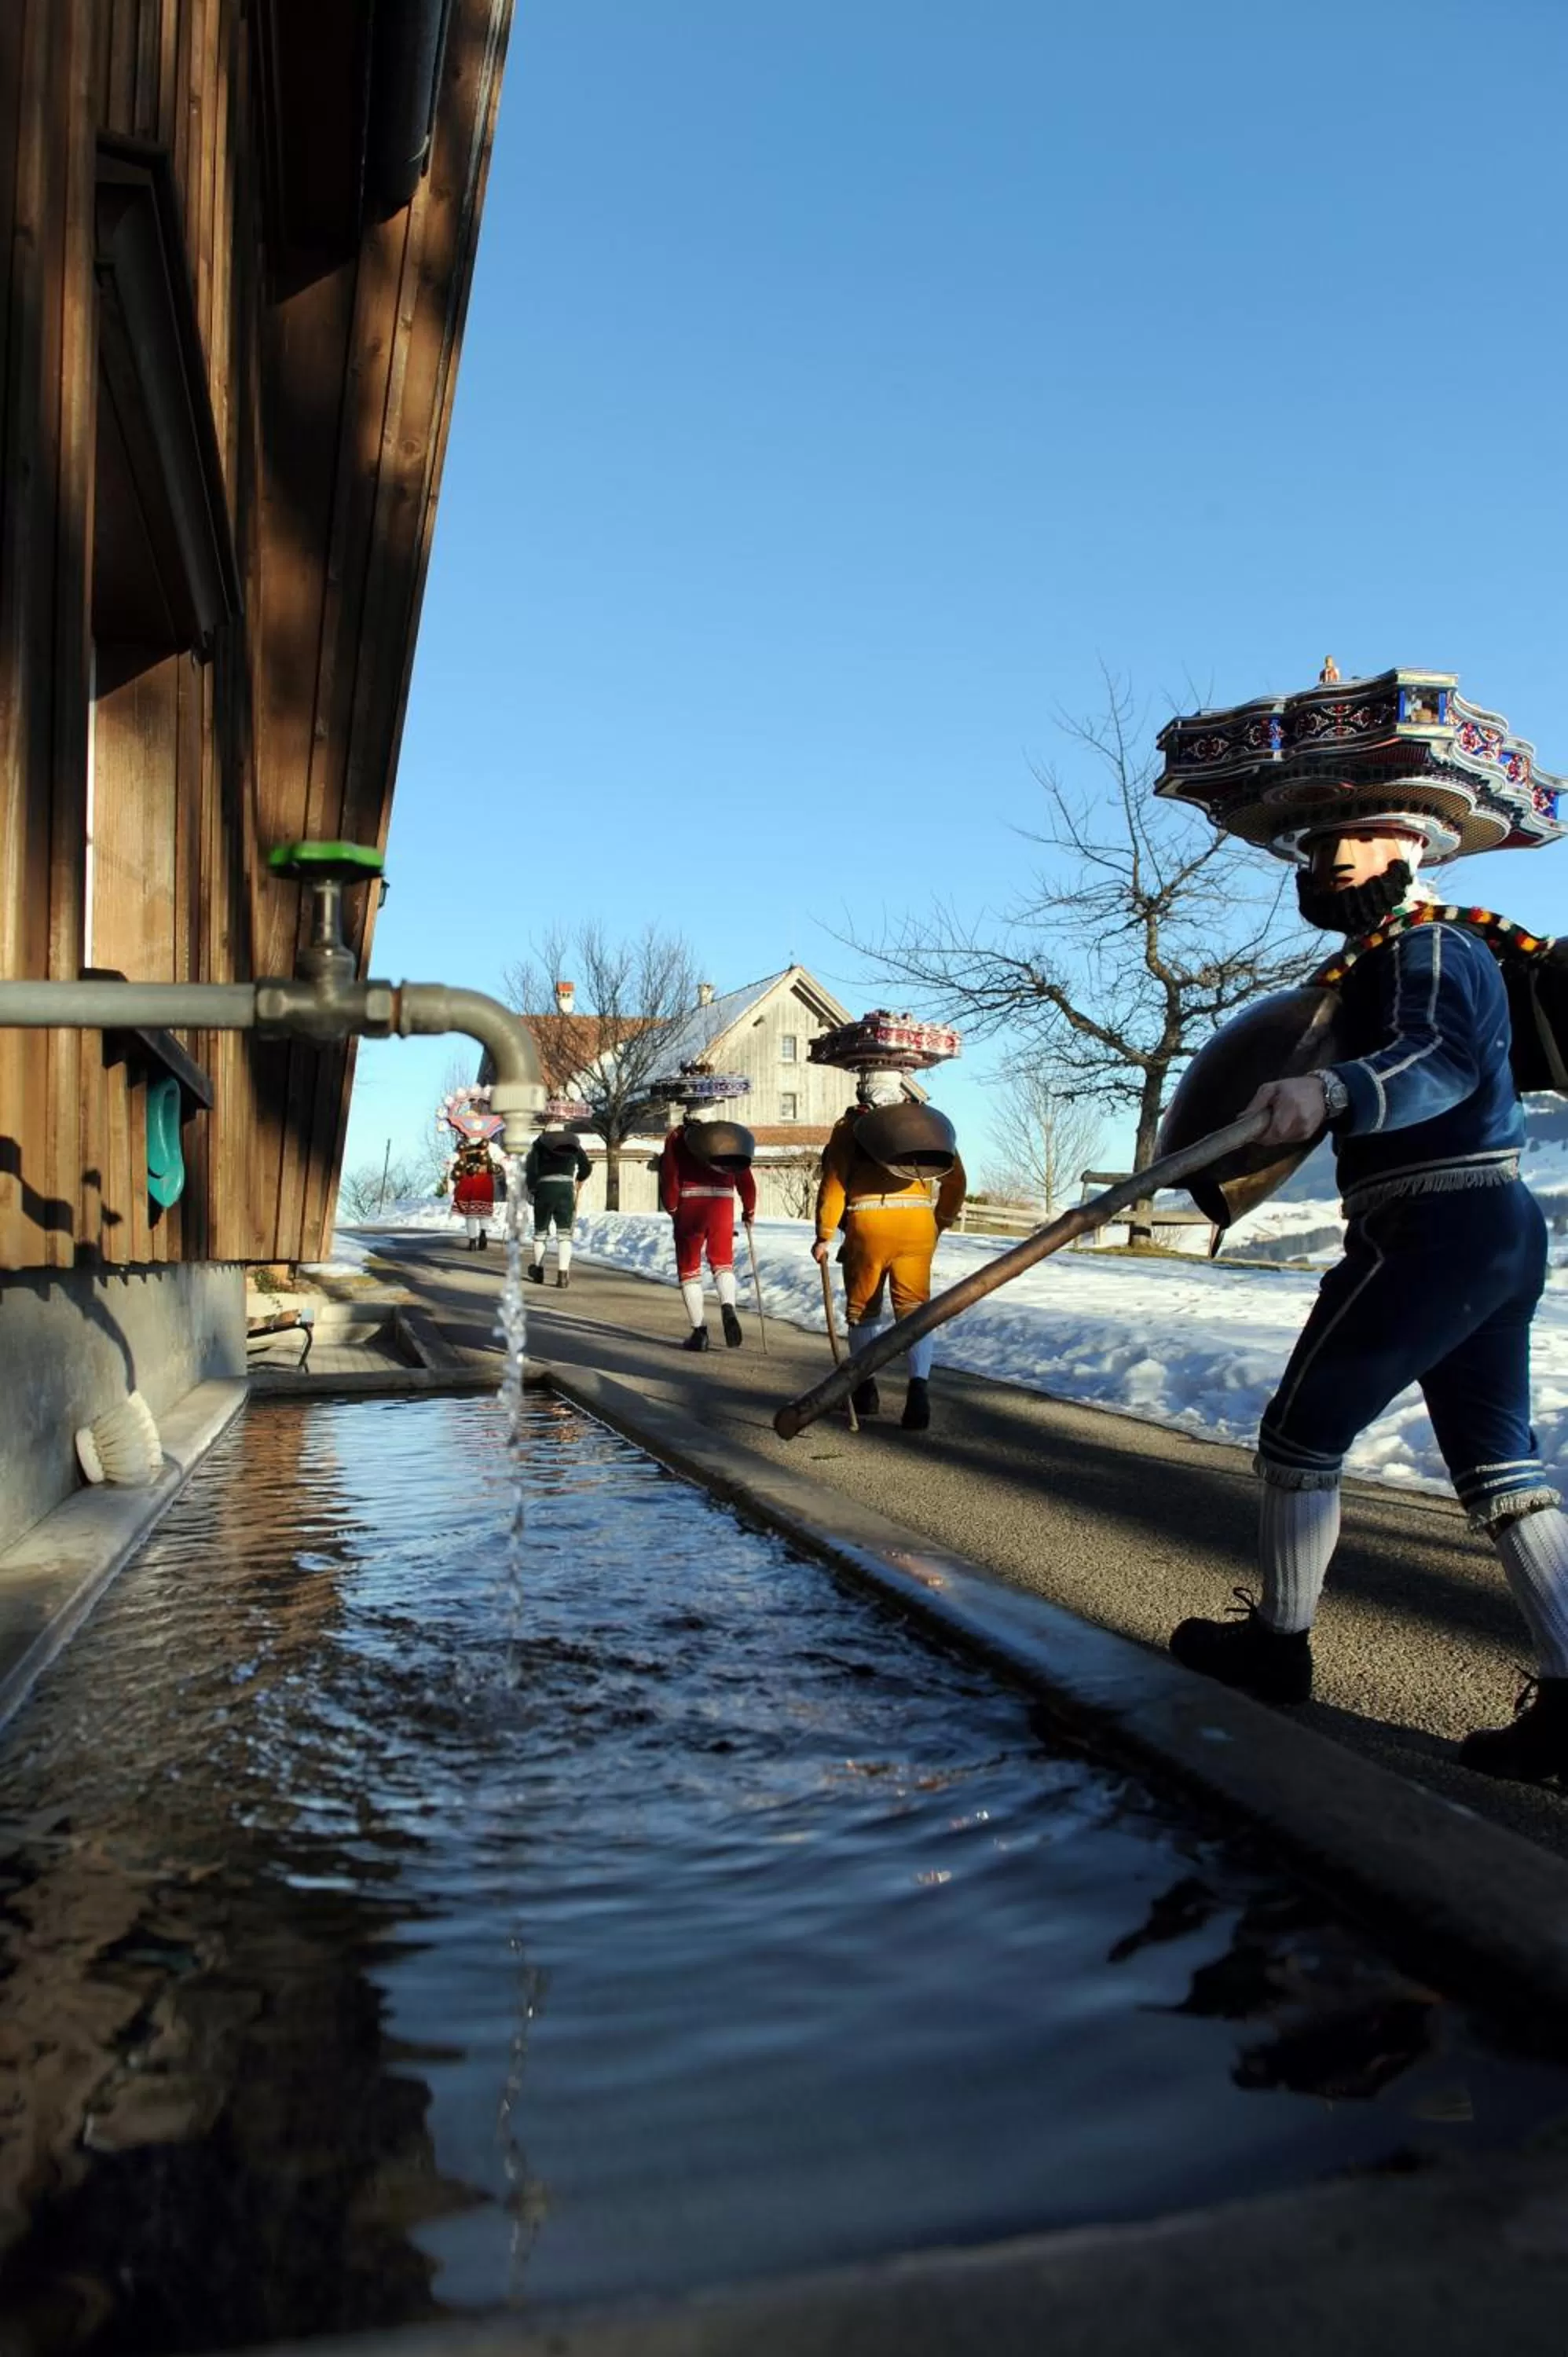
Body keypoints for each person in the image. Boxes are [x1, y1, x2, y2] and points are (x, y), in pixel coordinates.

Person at [1168, 808, 1568, 1781]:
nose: (1328, 856)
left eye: (1353, 834)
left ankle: (1277, 1646)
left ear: (1414, 845)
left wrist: (1332, 1092)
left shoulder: (1426, 944)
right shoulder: (1395, 954)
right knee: (1496, 1467)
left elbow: (1440, 1059)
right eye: (1313, 844)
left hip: (1431, 1226)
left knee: (1301, 1434)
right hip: (1484, 1227)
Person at [811, 1069, 966, 1431]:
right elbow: (957, 1181)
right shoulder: (926, 1121)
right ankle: (919, 1391)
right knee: (915, 1311)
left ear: (863, 1085)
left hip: (869, 1224)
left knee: (863, 1311)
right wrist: (940, 1221)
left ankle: (865, 1389)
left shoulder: (849, 1127)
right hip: (917, 1224)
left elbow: (834, 1185)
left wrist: (824, 1234)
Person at [658, 1093, 757, 1352]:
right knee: (723, 1263)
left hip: (690, 1204)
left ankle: (699, 1331)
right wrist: (749, 1209)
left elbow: (670, 1174)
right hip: (722, 1204)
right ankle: (728, 1305)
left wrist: (672, 1207)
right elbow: (745, 1176)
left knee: (689, 1269)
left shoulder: (677, 1137)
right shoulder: (729, 1135)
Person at [524, 1105, 591, 1288]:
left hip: (544, 1188)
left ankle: (539, 1270)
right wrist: (580, 1178)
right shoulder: (574, 1143)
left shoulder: (539, 1144)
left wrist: (532, 1188)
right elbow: (586, 1167)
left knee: (540, 1233)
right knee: (564, 1235)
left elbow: (531, 1169)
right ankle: (562, 1275)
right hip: (565, 1189)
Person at [448, 1132, 503, 1251]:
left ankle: (472, 1241)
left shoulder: (462, 1145)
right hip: (484, 1180)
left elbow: (452, 1162)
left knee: (470, 1214)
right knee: (484, 1211)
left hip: (468, 1179)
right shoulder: (490, 1145)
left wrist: (451, 1181)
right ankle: (483, 1233)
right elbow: (501, 1159)